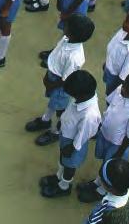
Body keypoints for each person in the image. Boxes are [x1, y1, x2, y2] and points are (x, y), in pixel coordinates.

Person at [24, 13, 95, 145]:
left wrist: (51, 84)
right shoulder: (66, 39)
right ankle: (45, 120)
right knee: (53, 103)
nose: (64, 25)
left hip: (61, 86)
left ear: (73, 33)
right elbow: (56, 54)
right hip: (54, 78)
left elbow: (66, 79)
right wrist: (48, 74)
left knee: (60, 110)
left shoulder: (74, 57)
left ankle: (56, 132)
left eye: (67, 25)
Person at [81, 69, 129, 200]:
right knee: (104, 162)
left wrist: (119, 153)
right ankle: (98, 181)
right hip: (105, 134)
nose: (123, 89)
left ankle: (102, 190)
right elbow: (110, 104)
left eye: (128, 89)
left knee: (111, 168)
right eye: (124, 84)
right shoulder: (120, 90)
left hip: (117, 145)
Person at [39, 69, 101, 198]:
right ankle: (59, 176)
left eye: (73, 95)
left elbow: (83, 135)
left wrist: (72, 148)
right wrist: (61, 122)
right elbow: (70, 110)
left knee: (69, 165)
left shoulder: (90, 115)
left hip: (74, 144)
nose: (72, 97)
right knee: (63, 159)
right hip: (66, 136)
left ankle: (64, 186)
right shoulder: (81, 97)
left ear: (81, 95)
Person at [81, 159, 129, 224]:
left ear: (109, 188)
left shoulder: (105, 210)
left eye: (101, 178)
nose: (99, 178)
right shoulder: (128, 195)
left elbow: (92, 221)